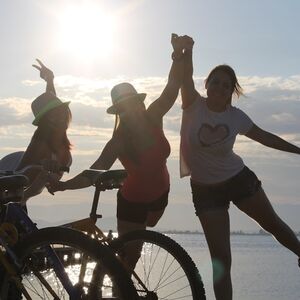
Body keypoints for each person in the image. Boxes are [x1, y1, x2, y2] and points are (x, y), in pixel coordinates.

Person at [179, 35, 300, 300]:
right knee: (221, 261)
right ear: (207, 85)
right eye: (215, 82)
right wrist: (187, 51)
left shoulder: (236, 117)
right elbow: (185, 76)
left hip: (238, 179)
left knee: (274, 225)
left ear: (232, 92)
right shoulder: (192, 104)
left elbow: (266, 137)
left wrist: (298, 150)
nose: (220, 88)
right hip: (205, 191)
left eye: (226, 85)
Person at [49, 34, 186, 268]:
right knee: (130, 257)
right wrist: (64, 185)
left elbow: (172, 87)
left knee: (149, 227)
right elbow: (95, 171)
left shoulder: (154, 116)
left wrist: (178, 55)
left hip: (160, 194)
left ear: (139, 103)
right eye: (123, 108)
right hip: (132, 200)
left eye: (132, 104)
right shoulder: (118, 142)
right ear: (118, 113)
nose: (129, 110)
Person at [17, 59, 72, 203]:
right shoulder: (39, 144)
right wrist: (41, 166)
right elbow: (18, 175)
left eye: (62, 111)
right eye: (54, 115)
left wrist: (50, 79)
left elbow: (51, 99)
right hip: (14, 202)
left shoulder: (59, 136)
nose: (61, 117)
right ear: (45, 122)